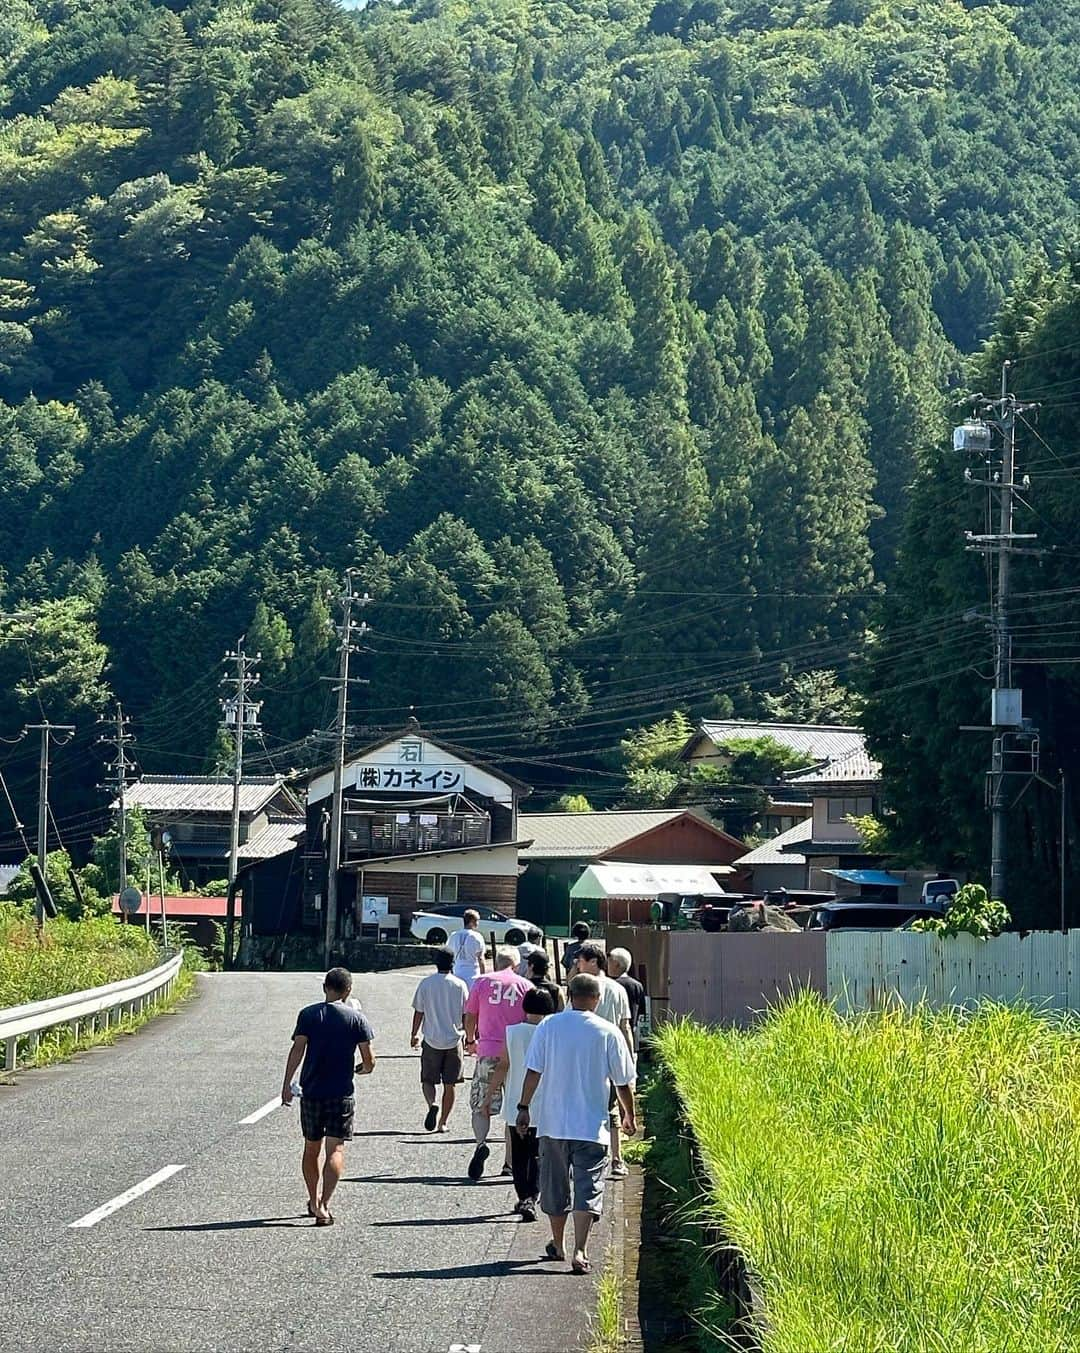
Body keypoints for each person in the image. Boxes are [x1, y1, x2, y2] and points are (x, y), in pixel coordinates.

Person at [517, 973, 636, 1275]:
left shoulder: (549, 1026)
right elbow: (623, 1082)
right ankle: (581, 1250)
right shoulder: (609, 1032)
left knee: (555, 1188)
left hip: (553, 1123)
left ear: (569, 995)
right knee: (588, 1187)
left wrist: (523, 1107)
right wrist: (628, 1115)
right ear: (597, 999)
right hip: (591, 1126)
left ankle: (558, 1244)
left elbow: (533, 1071)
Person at [281, 967, 375, 1226]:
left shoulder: (309, 1015)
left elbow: (297, 1049)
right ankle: (324, 1203)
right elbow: (369, 1060)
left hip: (312, 1092)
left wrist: (287, 1083)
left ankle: (312, 1200)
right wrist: (361, 1069)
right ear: (348, 991)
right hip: (341, 1093)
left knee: (311, 1148)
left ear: (325, 987)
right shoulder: (357, 1019)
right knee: (336, 1148)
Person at [480, 986, 555, 1221]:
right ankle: (533, 1196)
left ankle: (524, 1197)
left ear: (525, 1007)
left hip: (516, 1103)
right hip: (546, 1103)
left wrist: (489, 1094)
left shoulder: (512, 1032)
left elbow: (503, 1065)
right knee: (539, 1154)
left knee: (520, 1155)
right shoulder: (552, 1032)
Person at [462, 947, 532, 1180]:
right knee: (513, 1106)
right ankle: (509, 1163)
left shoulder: (482, 982)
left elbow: (470, 1014)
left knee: (481, 1103)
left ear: (496, 963)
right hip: (515, 1051)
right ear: (517, 964)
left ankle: (481, 1143)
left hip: (488, 1049)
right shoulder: (525, 986)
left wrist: (471, 1039)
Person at [574, 942, 633, 1178]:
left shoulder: (580, 989)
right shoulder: (618, 989)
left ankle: (582, 1158)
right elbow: (625, 1026)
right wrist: (629, 1059)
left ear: (593, 962)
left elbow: (574, 1022)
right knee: (612, 1110)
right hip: (611, 1058)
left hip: (583, 1057)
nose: (577, 965)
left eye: (580, 961)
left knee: (583, 1105)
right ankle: (617, 1160)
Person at [410, 950, 468, 1133]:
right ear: (453, 963)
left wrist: (414, 1034)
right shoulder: (460, 985)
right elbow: (466, 1013)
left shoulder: (426, 984)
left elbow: (419, 1011)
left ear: (436, 963)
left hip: (432, 1039)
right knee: (450, 1084)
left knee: (428, 1079)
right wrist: (469, 1035)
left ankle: (432, 1104)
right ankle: (443, 1122)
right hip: (454, 1039)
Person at [607, 947, 645, 1050]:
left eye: (609, 962)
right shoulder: (638, 985)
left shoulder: (611, 985)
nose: (607, 965)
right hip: (631, 1033)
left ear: (617, 965)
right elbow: (641, 1011)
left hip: (613, 1035)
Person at [445, 909, 487, 989]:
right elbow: (481, 959)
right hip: (473, 976)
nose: (478, 923)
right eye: (477, 921)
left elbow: (448, 955)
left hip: (457, 975)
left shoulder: (453, 935)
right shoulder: (477, 936)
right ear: (471, 921)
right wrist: (483, 977)